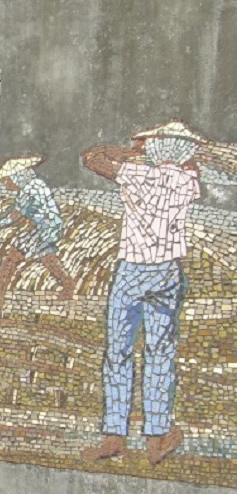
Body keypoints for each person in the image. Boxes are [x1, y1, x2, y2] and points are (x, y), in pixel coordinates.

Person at [81, 121, 204, 465]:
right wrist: (161, 153)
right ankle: (156, 435)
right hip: (167, 270)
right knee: (159, 352)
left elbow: (92, 157)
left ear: (153, 147)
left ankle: (114, 435)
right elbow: (191, 166)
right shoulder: (187, 180)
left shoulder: (135, 173)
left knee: (118, 352)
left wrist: (134, 150)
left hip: (133, 269)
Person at [0, 156, 76, 310]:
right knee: (48, 259)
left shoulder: (29, 191)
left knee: (11, 260)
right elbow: (14, 214)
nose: (6, 184)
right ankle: (68, 285)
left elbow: (13, 217)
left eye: (7, 180)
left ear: (17, 176)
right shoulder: (35, 185)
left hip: (42, 230)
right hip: (49, 228)